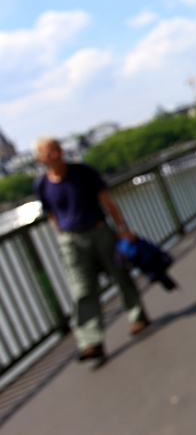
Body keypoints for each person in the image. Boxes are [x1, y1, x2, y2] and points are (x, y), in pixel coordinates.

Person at [33, 136, 151, 363]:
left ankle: (138, 316)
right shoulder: (41, 184)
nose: (56, 154)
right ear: (40, 158)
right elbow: (51, 214)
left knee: (121, 276)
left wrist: (122, 228)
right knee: (82, 290)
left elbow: (106, 200)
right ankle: (90, 342)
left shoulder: (82, 172)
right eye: (50, 152)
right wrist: (62, 235)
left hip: (99, 232)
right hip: (71, 241)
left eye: (57, 149)